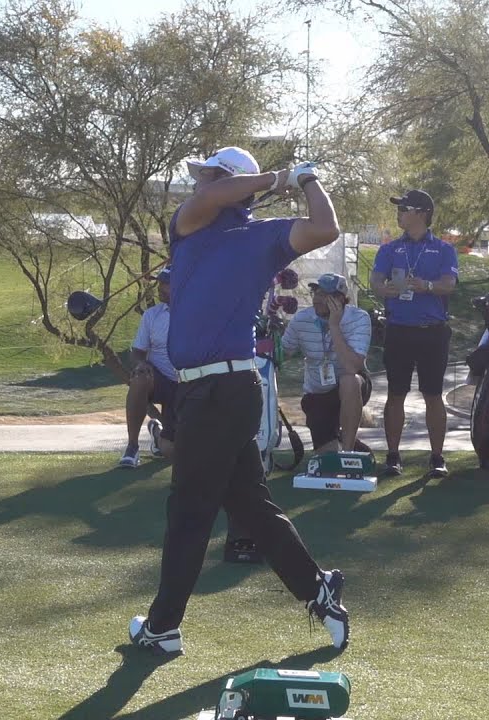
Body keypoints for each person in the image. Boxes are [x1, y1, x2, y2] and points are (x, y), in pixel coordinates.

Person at [128, 146, 350, 655]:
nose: (199, 183)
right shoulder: (187, 226)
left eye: (207, 173)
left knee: (189, 511)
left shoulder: (264, 237)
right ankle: (319, 590)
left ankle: (162, 629)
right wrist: (280, 177)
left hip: (224, 389)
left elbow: (325, 227)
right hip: (205, 391)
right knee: (249, 504)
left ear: (225, 178)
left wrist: (308, 179)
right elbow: (213, 196)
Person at [369, 190, 459, 477]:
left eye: (404, 209)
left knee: (433, 395)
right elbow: (375, 280)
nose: (399, 213)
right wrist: (383, 289)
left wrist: (427, 286)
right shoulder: (390, 249)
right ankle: (393, 456)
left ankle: (437, 457)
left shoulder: (444, 249)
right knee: (396, 394)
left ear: (421, 213)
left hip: (432, 332)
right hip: (398, 330)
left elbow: (449, 284)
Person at [281, 273, 373, 454]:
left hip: (351, 388)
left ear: (340, 299)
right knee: (328, 463)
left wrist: (334, 326)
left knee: (349, 380)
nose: (317, 299)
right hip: (317, 394)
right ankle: (349, 443)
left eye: (324, 295)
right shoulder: (301, 320)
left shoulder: (359, 318)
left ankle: (348, 454)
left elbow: (352, 367)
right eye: (316, 293)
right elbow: (284, 352)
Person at [119, 267, 176, 468]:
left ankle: (157, 432)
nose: (160, 288)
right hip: (160, 381)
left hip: (189, 385)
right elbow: (137, 352)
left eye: (166, 284)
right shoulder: (152, 315)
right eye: (160, 283)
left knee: (172, 451)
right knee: (140, 378)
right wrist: (141, 364)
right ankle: (132, 448)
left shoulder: (197, 313)